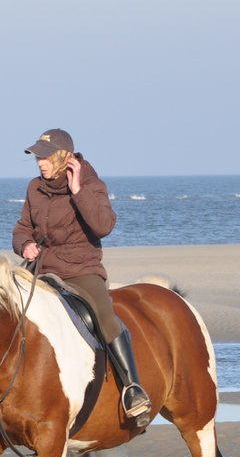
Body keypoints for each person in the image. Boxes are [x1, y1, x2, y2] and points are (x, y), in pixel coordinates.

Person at [12, 128, 153, 428]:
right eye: (37, 157)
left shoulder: (89, 183)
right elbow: (23, 226)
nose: (40, 162)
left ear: (64, 157)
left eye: (46, 156)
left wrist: (78, 191)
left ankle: (133, 390)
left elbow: (104, 225)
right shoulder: (34, 188)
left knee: (105, 317)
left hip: (81, 270)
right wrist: (25, 244)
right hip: (42, 270)